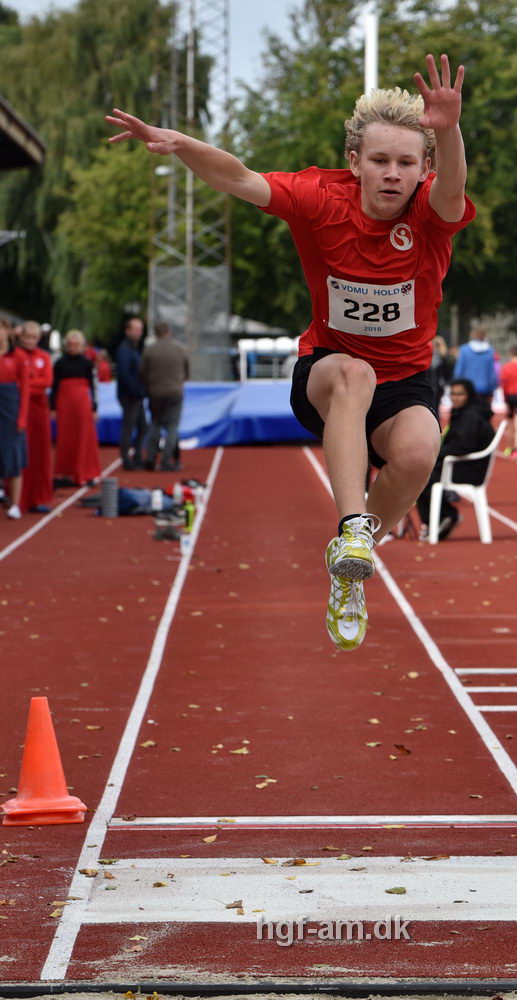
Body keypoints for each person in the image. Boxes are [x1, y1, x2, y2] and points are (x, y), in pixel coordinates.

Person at [107, 52, 474, 652]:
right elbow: (237, 177)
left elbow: (455, 188)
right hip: (327, 372)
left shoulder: (431, 215)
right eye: (379, 160)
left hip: (405, 379)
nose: (391, 173)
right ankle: (353, 526)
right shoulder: (320, 197)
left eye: (406, 162)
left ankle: (351, 565)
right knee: (354, 375)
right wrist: (182, 144)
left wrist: (449, 127)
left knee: (419, 451)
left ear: (422, 168)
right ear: (354, 162)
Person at [416, 378, 494, 540]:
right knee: (420, 474)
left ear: (469, 395)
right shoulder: (464, 412)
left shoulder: (471, 416)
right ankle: (442, 518)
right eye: (453, 394)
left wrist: (436, 454)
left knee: (420, 477)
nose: (455, 397)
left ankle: (445, 516)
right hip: (460, 464)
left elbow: (462, 445)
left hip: (468, 469)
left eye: (460, 394)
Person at [50, 329, 101, 486]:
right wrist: (52, 407)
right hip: (64, 405)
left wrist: (94, 408)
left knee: (85, 438)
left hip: (82, 405)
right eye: (70, 344)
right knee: (65, 439)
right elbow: (54, 386)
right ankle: (65, 473)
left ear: (82, 346)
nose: (73, 347)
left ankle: (86, 472)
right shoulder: (59, 363)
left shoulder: (87, 364)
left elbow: (94, 387)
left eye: (76, 344)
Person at [14, 320, 54, 513]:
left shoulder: (43, 357)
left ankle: (39, 497)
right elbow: (14, 383)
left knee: (40, 452)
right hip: (18, 410)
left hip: (38, 411)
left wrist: (27, 385)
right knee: (19, 451)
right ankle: (17, 497)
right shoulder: (15, 356)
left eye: (34, 337)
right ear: (20, 337)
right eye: (27, 337)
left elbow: (46, 381)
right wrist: (30, 385)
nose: (30, 341)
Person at [140, 322, 189, 471]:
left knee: (155, 425)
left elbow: (142, 373)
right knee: (172, 427)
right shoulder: (180, 349)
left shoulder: (149, 350)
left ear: (156, 333)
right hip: (174, 392)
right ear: (169, 332)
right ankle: (167, 460)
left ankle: (150, 458)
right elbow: (187, 372)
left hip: (155, 393)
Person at [0, 319, 29, 519]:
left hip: (11, 407)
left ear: (8, 332)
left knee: (14, 454)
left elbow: (25, 390)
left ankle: (16, 504)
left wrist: (22, 418)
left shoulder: (18, 356)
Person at [115, 316, 147, 470]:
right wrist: (137, 391)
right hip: (130, 395)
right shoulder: (125, 349)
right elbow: (124, 374)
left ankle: (137, 455)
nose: (138, 333)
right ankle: (126, 459)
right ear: (127, 330)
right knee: (129, 427)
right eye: (135, 329)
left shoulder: (134, 348)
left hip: (136, 394)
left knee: (142, 426)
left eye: (140, 330)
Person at [453, 324, 497, 404]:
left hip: (466, 390)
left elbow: (459, 371)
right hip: (484, 390)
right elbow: (492, 374)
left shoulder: (464, 350)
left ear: (472, 334)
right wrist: (492, 389)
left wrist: (456, 387)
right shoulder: (490, 351)